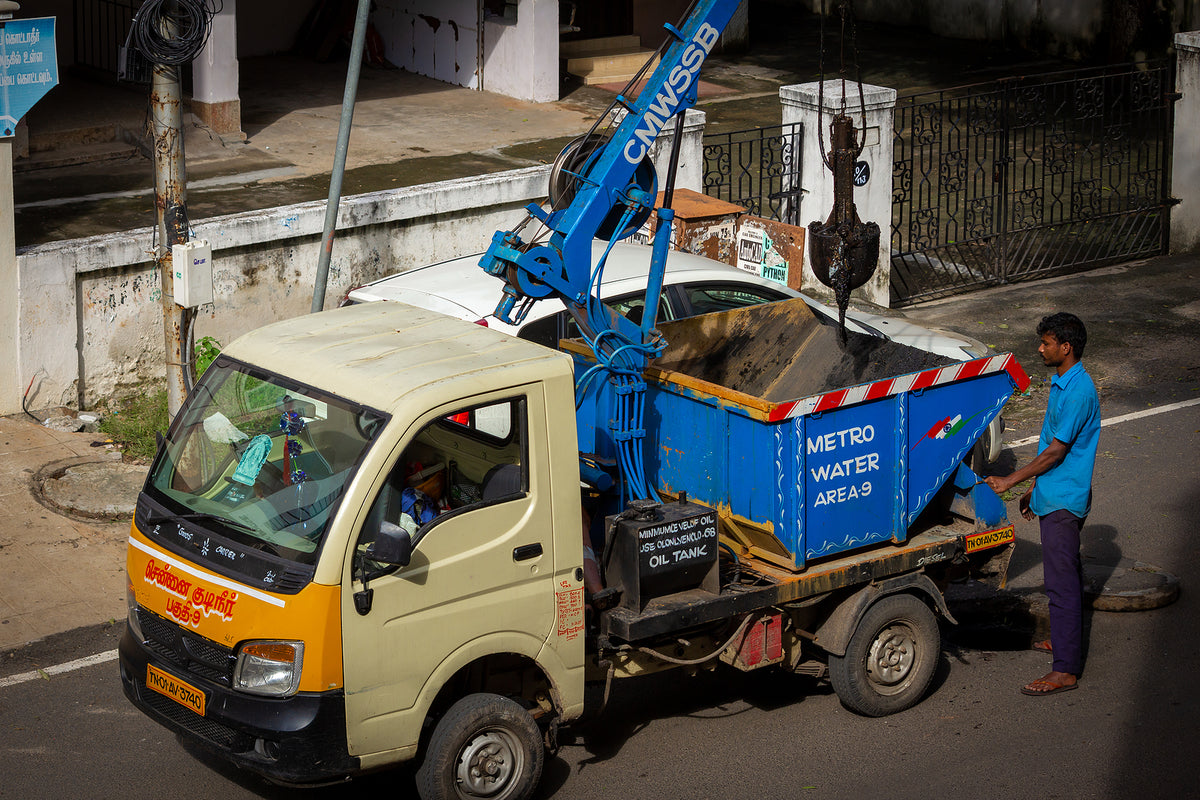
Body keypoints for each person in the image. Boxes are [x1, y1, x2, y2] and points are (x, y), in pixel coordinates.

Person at [985, 312, 1100, 697]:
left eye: (1047, 343)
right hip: (1054, 493)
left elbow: (1055, 452)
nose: (1040, 348)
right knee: (1066, 574)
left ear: (1065, 348)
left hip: (1065, 501)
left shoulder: (1080, 391)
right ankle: (1065, 641)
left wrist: (1010, 480)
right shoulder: (1062, 383)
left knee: (1060, 583)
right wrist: (1035, 490)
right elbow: (1050, 447)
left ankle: (1065, 669)